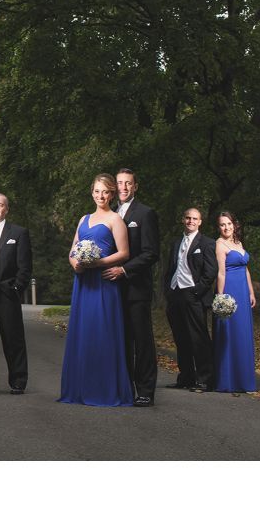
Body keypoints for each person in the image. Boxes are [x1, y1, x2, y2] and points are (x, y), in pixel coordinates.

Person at [59, 173, 133, 407]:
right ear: (92, 192)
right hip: (83, 283)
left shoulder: (115, 220)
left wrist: (97, 263)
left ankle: (103, 390)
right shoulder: (83, 219)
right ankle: (80, 389)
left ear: (112, 194)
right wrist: (77, 264)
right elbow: (72, 250)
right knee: (84, 333)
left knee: (102, 333)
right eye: (97, 191)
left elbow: (124, 253)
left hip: (102, 283)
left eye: (106, 192)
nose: (101, 196)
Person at [103, 168, 160, 406]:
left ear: (135, 186)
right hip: (113, 290)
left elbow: (151, 253)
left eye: (128, 183)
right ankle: (126, 387)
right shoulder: (111, 213)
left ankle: (145, 390)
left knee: (142, 341)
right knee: (122, 340)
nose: (124, 187)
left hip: (136, 288)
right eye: (120, 183)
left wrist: (124, 270)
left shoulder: (146, 214)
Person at [163, 207, 217, 392]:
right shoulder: (176, 243)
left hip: (194, 295)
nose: (191, 221)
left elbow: (210, 273)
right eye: (188, 218)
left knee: (198, 338)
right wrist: (168, 292)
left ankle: (204, 380)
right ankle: (185, 377)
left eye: (195, 219)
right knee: (181, 338)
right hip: (175, 294)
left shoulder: (207, 243)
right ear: (183, 219)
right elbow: (170, 269)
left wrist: (196, 292)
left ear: (200, 222)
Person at [0, 193, 32, 395]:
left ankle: (18, 381)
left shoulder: (18, 233)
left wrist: (17, 289)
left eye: (0, 205)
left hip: (7, 293)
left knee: (13, 338)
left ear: (6, 209)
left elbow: (25, 267)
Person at [213, 211, 257, 393]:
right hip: (230, 291)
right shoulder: (220, 244)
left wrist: (251, 292)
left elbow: (246, 270)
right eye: (222, 225)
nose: (226, 227)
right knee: (230, 334)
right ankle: (227, 381)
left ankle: (244, 381)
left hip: (243, 292)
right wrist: (220, 297)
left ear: (234, 224)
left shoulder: (238, 243)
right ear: (219, 227)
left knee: (242, 334)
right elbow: (221, 273)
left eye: (229, 223)